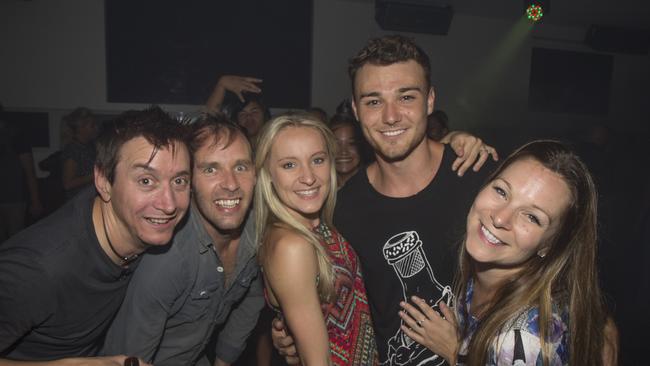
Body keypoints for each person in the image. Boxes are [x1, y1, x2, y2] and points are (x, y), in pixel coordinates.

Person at [272, 35, 498, 366]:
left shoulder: (480, 177)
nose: (390, 117)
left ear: (430, 101)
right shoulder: (341, 209)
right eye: (374, 102)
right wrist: (291, 332)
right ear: (354, 109)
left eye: (406, 97)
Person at [398, 140, 619, 365]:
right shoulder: (485, 274)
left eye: (532, 217)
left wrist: (456, 353)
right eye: (501, 191)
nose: (500, 218)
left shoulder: (521, 341)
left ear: (550, 245)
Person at [0, 106, 191, 365]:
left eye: (179, 181)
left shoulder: (138, 225)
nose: (169, 204)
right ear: (102, 180)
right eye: (146, 181)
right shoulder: (37, 271)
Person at [103, 113, 264, 366]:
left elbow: (253, 297)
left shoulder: (256, 231)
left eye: (241, 167)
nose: (231, 184)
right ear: (189, 182)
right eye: (211, 169)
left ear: (256, 174)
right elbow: (128, 356)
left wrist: (224, 358)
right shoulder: (168, 261)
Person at [256, 113, 378, 365]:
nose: (309, 177)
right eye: (289, 165)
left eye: (317, 160)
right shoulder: (291, 246)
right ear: (268, 173)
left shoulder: (318, 226)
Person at [205, 75, 271, 141]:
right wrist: (222, 84)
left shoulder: (273, 140)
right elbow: (210, 118)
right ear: (236, 119)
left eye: (254, 112)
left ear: (264, 114)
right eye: (242, 114)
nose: (248, 117)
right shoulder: (233, 141)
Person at [61, 107, 100, 200]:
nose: (96, 128)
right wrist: (95, 176)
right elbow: (68, 184)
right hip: (78, 202)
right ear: (81, 127)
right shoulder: (72, 149)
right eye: (92, 125)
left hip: (90, 199)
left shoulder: (91, 146)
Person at [328, 112, 368, 187]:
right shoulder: (319, 190)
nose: (343, 152)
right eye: (336, 144)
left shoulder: (378, 187)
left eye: (351, 143)